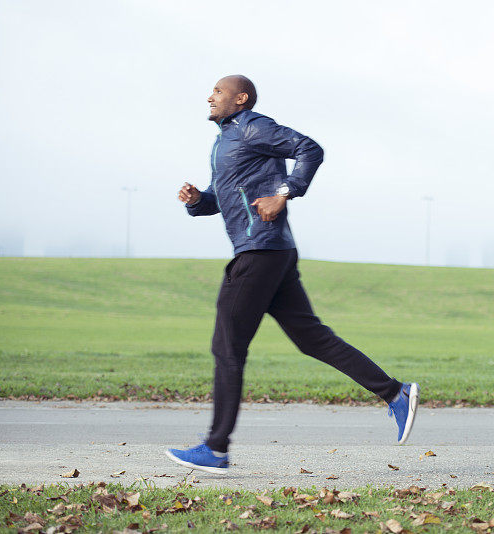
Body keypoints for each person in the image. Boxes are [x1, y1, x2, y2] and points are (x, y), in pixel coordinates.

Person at [165, 75, 419, 474]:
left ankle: (215, 448)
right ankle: (395, 393)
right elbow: (221, 198)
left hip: (260, 251)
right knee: (312, 338)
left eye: (217, 91)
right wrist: (198, 201)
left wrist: (285, 193)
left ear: (240, 98)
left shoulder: (253, 126)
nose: (209, 97)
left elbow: (309, 148)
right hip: (273, 250)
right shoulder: (226, 140)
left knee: (228, 349)